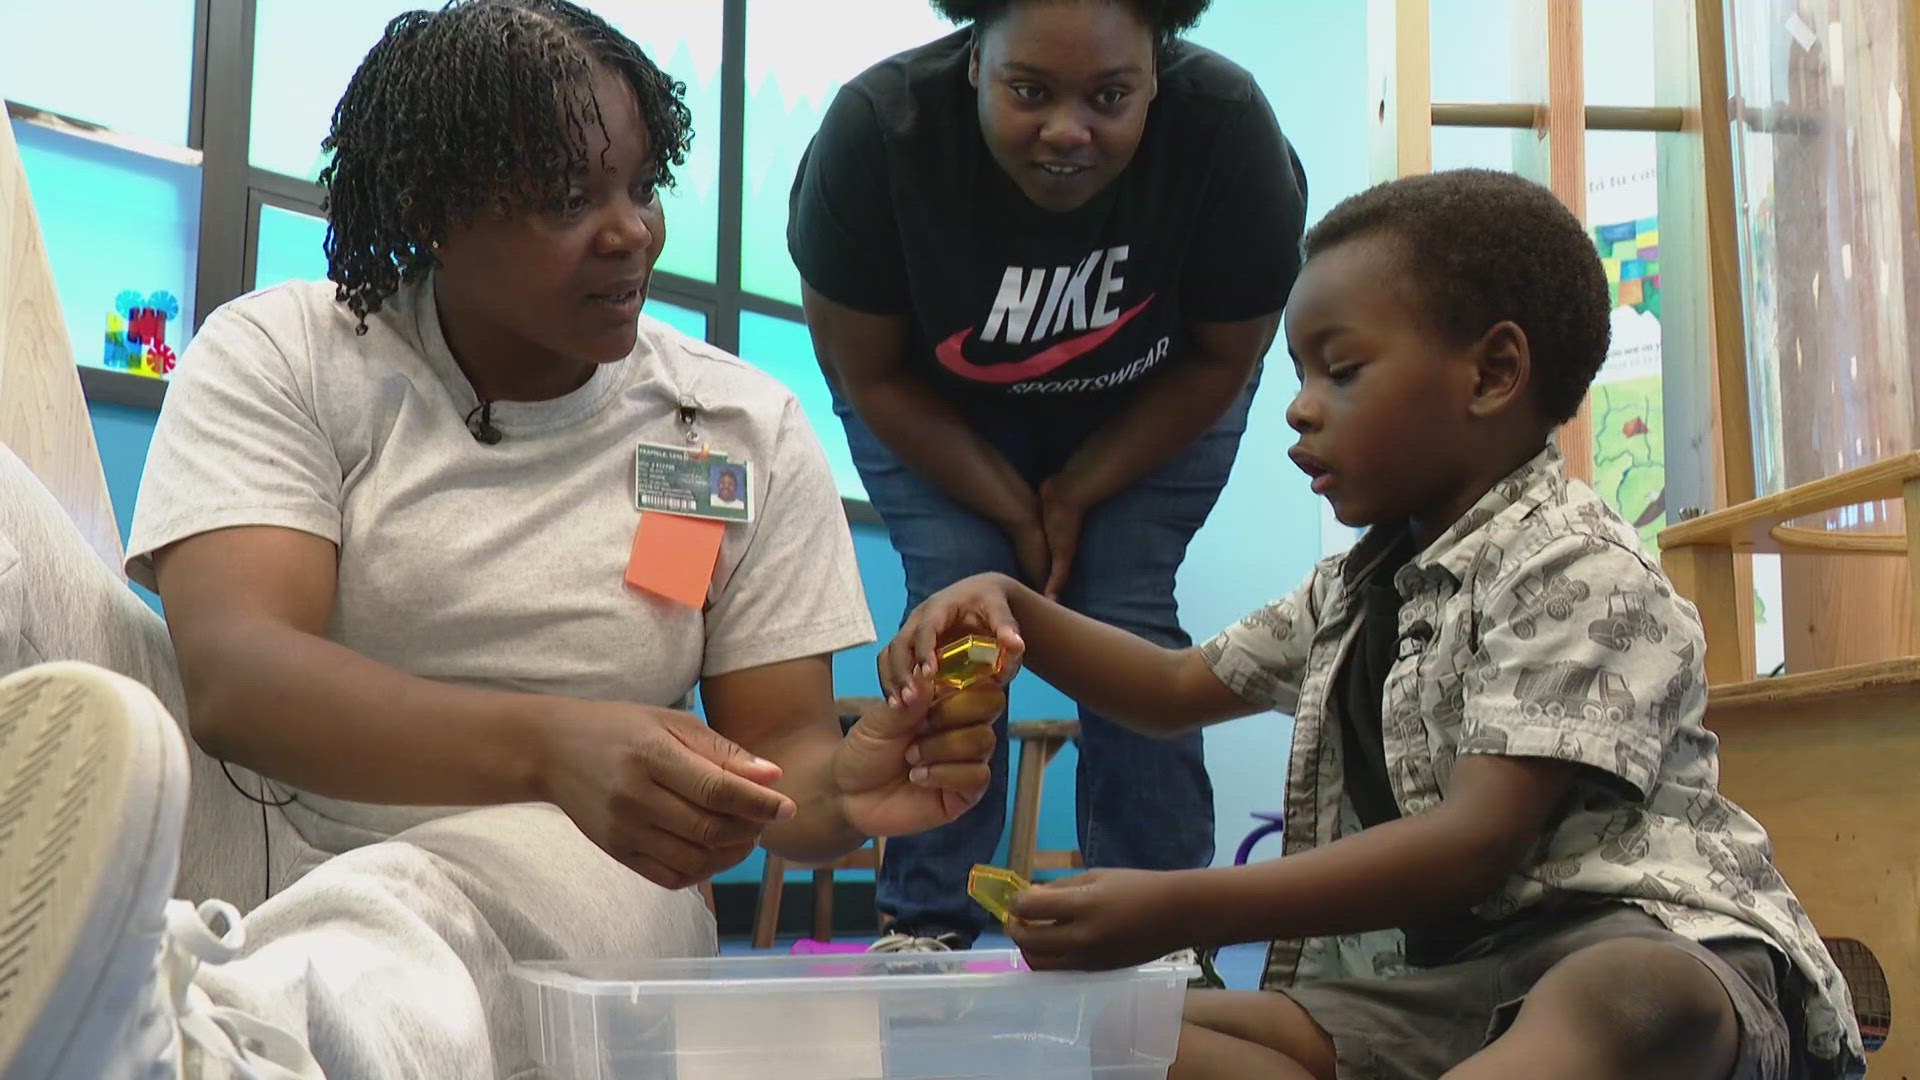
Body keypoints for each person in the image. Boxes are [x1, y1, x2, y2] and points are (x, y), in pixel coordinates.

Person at [0, 2, 996, 1076]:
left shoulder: (737, 427)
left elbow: (781, 757)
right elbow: (240, 683)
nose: (632, 232)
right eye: (571, 198)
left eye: (642, 185)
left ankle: (227, 1047)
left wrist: (847, 787)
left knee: (411, 907)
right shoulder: (289, 348)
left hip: (567, 864)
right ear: (435, 211)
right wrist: (551, 743)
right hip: (247, 815)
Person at [878, 169, 1868, 1079]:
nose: (1299, 412)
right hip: (1456, 989)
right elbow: (1171, 692)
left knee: (1629, 997)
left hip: (1645, 950)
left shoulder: (1577, 564)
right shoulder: (1355, 588)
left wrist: (1174, 904)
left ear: (1492, 374)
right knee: (1133, 1033)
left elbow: (1476, 840)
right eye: (1299, 374)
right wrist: (1012, 606)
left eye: (1339, 371)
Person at [788, 0, 1308, 953]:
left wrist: (1073, 494)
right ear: (975, 60)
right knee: (955, 624)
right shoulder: (877, 134)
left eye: (1111, 96)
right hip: (935, 405)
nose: (1069, 132)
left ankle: (1163, 935)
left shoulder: (1228, 129)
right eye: (1030, 91)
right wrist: (1010, 508)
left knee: (1122, 611)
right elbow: (869, 373)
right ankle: (926, 926)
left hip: (1157, 397)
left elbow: (1221, 359)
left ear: (1159, 70)